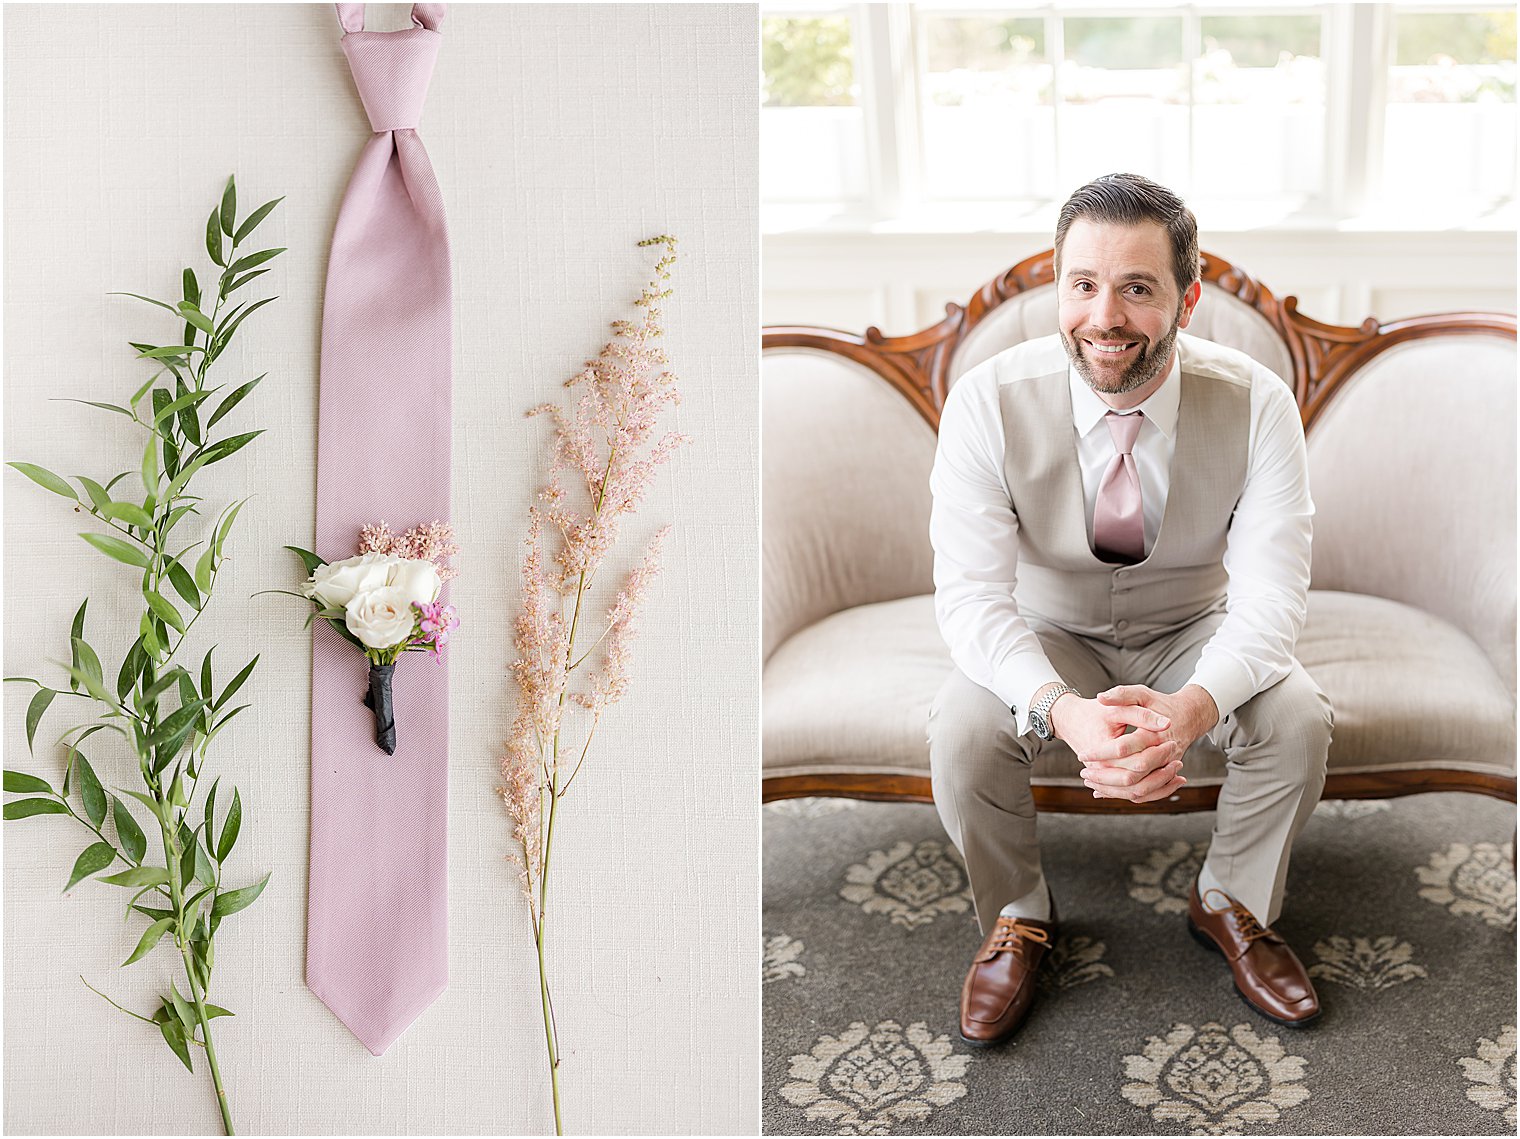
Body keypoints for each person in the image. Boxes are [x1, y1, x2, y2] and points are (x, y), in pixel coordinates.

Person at [927, 172, 1333, 1046]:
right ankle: (1019, 914)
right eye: (1083, 284)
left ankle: (1230, 899)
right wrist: (1062, 711)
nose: (1104, 316)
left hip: (1195, 627)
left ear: (1188, 300)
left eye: (1137, 288)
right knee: (962, 725)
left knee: (1296, 714)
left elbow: (1271, 600)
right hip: (1048, 630)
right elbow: (971, 599)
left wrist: (1191, 710)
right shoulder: (986, 403)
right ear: (1058, 288)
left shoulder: (1260, 402)